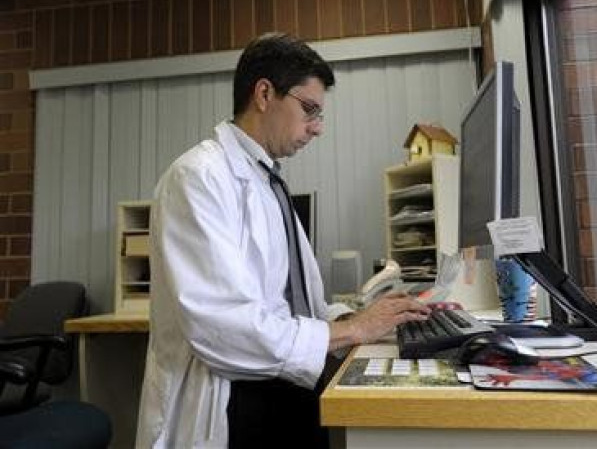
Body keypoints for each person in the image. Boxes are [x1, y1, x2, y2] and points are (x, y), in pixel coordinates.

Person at [135, 33, 430, 448]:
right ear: (264, 93)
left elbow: (289, 303)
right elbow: (223, 326)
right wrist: (351, 331)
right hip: (234, 400)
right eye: (309, 109)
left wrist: (357, 319)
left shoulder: (266, 178)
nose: (318, 128)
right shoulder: (199, 177)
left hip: (283, 379)